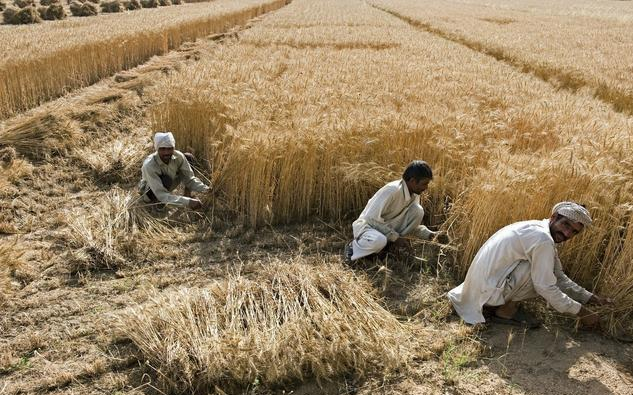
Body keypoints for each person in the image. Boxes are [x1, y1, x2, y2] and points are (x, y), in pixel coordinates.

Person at [447, 202, 612, 329]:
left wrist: (590, 298)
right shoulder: (543, 240)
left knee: (544, 271)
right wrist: (582, 313)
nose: (568, 234)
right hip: (485, 291)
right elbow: (545, 286)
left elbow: (559, 275)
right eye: (566, 225)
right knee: (541, 276)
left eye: (574, 232)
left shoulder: (539, 229)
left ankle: (498, 305)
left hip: (479, 287)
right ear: (554, 217)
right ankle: (505, 310)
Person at [344, 160, 447, 262]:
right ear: (412, 181)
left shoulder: (414, 194)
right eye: (424, 184)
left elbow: (410, 226)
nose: (426, 188)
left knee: (418, 211)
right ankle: (353, 248)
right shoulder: (391, 191)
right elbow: (370, 218)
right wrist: (395, 238)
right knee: (379, 240)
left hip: (386, 230)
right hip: (368, 227)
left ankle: (387, 249)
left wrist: (431, 235)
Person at [138, 132, 209, 209]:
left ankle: (187, 194)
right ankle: (157, 204)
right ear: (157, 149)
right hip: (151, 193)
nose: (166, 152)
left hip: (168, 186)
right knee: (166, 180)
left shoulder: (178, 156)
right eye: (162, 149)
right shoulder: (150, 165)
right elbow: (161, 194)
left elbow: (189, 179)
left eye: (169, 149)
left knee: (189, 158)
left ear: (173, 148)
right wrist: (188, 202)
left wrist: (206, 190)